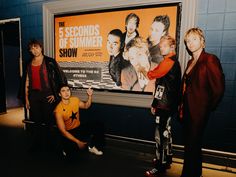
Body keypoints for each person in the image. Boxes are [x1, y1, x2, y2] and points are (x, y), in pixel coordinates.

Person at [179, 27, 225, 177]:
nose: (190, 43)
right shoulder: (191, 61)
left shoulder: (210, 59)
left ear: (202, 41)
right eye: (187, 41)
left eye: (194, 39)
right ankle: (195, 172)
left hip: (199, 111)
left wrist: (206, 107)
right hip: (187, 110)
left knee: (192, 144)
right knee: (192, 145)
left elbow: (218, 88)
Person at [144, 35, 181, 177]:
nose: (161, 48)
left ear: (172, 47)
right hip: (166, 105)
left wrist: (144, 70)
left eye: (164, 46)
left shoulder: (168, 62)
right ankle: (166, 159)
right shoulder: (170, 61)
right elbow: (162, 86)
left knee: (160, 135)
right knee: (166, 133)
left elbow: (152, 75)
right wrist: (155, 103)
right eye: (160, 46)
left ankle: (160, 166)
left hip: (165, 106)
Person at [24, 39, 67, 152]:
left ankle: (49, 145)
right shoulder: (28, 63)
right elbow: (27, 81)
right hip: (34, 95)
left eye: (36, 47)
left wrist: (55, 94)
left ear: (41, 48)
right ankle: (37, 144)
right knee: (36, 121)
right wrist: (27, 98)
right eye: (31, 48)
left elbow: (60, 78)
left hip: (47, 94)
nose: (34, 50)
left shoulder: (50, 61)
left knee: (49, 121)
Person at [54, 84, 104, 161]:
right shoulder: (58, 110)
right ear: (59, 94)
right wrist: (78, 142)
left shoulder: (75, 100)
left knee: (98, 125)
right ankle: (65, 147)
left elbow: (86, 106)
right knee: (73, 155)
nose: (66, 93)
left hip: (78, 128)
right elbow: (63, 131)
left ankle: (91, 146)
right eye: (63, 91)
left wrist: (90, 96)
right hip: (68, 133)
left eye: (68, 90)